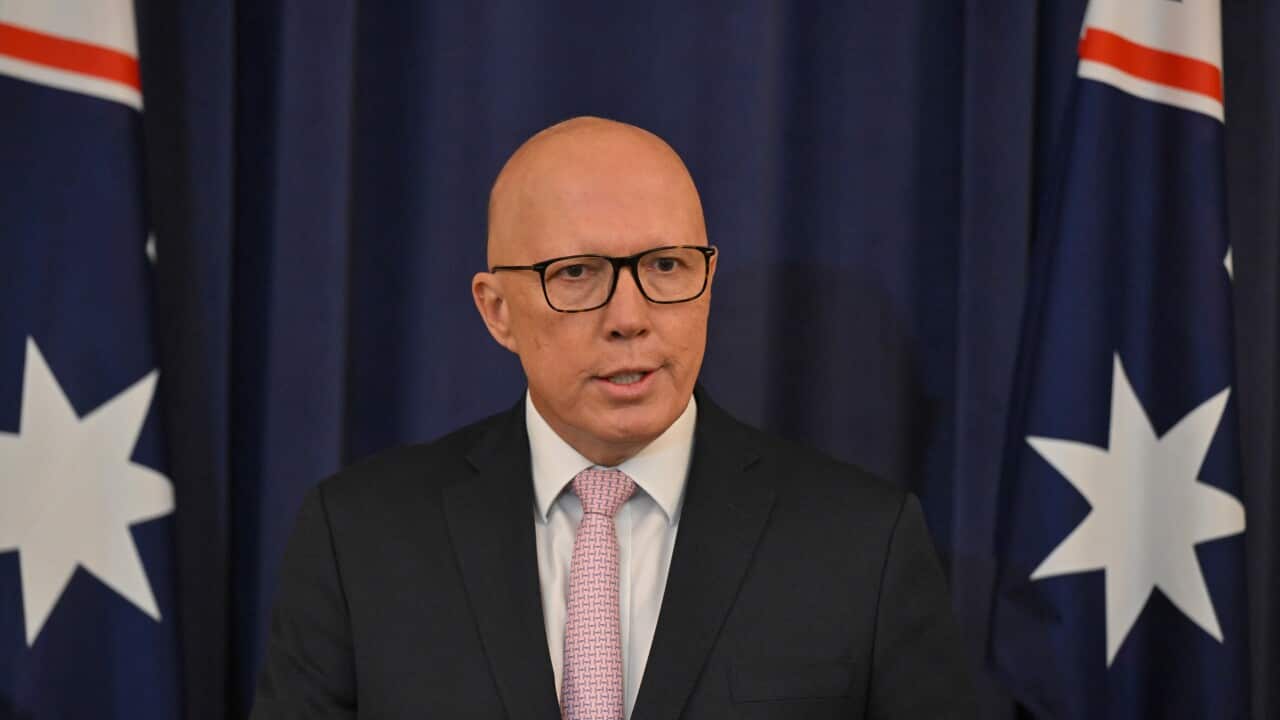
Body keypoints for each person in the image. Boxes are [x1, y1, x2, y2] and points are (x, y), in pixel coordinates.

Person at [250, 117, 978, 719]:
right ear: (496, 310)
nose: (630, 318)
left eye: (666, 267)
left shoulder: (865, 543)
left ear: (708, 280)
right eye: (576, 274)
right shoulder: (358, 539)